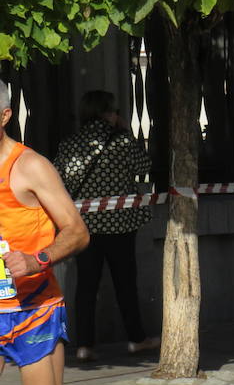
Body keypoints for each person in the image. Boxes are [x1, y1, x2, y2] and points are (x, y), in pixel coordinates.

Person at [0, 79, 102, 385]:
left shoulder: (30, 166)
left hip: (33, 311)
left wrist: (36, 259)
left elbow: (77, 232)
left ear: (2, 117)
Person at [54, 90, 158, 362]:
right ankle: (136, 338)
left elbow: (58, 179)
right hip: (120, 225)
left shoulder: (70, 143)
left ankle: (85, 345)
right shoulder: (122, 142)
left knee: (86, 286)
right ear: (108, 113)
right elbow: (144, 165)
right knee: (126, 283)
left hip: (83, 226)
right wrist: (127, 133)